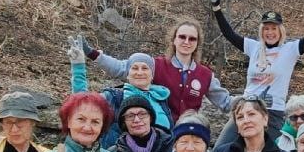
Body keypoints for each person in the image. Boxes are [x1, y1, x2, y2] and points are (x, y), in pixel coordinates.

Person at [210, 0, 304, 142]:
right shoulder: (253, 47)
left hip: (272, 112)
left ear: (280, 30)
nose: (270, 32)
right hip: (247, 108)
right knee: (221, 150)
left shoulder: (290, 50)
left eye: (273, 28)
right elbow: (229, 34)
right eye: (266, 28)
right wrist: (216, 8)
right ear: (261, 31)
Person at [85, 18, 232, 123]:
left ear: (197, 43)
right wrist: (93, 54)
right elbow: (121, 68)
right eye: (182, 37)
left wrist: (246, 100)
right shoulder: (155, 65)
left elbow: (226, 103)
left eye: (192, 39)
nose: (186, 42)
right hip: (159, 133)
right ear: (174, 40)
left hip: (188, 135)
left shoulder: (206, 74)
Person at [69, 39, 171, 143]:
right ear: (127, 74)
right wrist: (78, 67)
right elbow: (82, 103)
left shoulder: (160, 97)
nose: (139, 73)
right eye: (134, 68)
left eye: (145, 68)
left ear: (152, 75)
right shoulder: (113, 97)